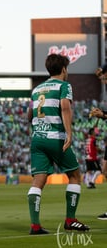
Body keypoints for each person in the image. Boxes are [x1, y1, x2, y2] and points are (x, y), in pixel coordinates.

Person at [27, 53, 90, 235]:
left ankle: (35, 225)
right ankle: (70, 220)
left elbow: (29, 115)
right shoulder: (64, 86)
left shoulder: (37, 89)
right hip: (55, 138)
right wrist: (69, 133)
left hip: (37, 139)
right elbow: (65, 107)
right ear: (64, 69)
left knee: (38, 180)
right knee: (75, 175)